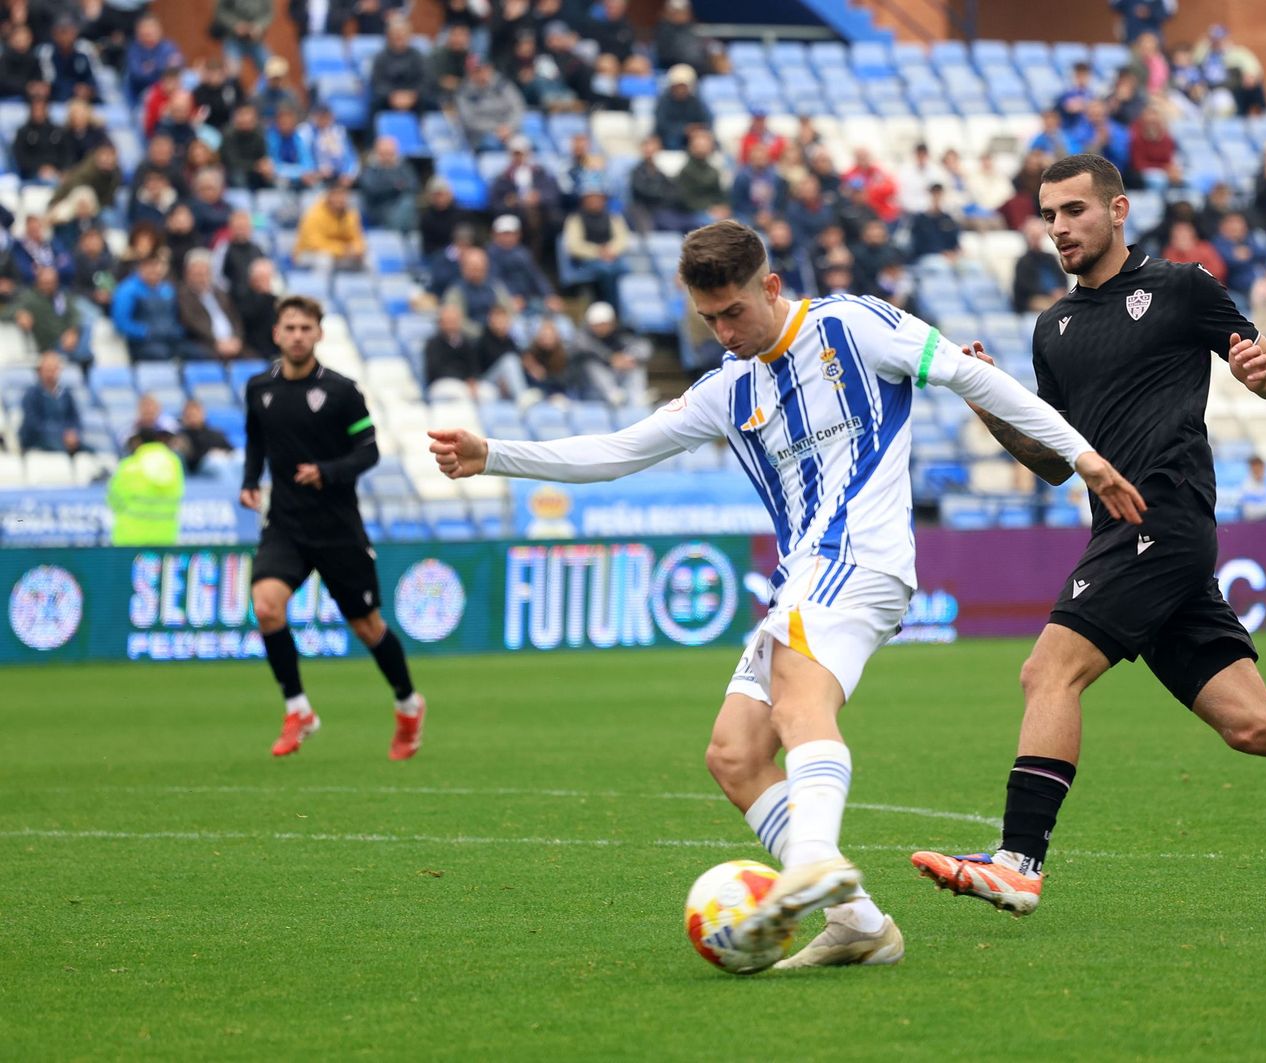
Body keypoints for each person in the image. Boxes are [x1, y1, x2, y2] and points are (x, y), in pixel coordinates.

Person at [428, 218, 1141, 969]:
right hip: (805, 573)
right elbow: (617, 451)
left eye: (734, 311)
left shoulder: (853, 325)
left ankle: (810, 856)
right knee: (734, 755)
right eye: (708, 319)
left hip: (859, 557)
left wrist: (1083, 455)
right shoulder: (726, 388)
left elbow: (974, 376)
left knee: (801, 700)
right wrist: (495, 454)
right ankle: (858, 924)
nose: (724, 331)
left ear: (771, 285)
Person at [908, 154, 1266, 919]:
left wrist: (1261, 369)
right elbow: (1052, 463)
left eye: (1074, 211)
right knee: (1253, 724)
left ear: (1117, 211)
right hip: (1124, 530)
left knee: (1048, 671)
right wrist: (990, 405)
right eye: (1048, 215)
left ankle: (1018, 860)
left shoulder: (1181, 289)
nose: (1059, 228)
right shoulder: (1054, 328)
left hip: (1166, 518)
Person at [242, 295, 426, 760]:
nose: (298, 335)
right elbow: (256, 441)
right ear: (276, 334)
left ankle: (408, 704)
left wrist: (327, 472)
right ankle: (298, 709)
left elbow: (369, 451)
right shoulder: (259, 388)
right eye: (290, 328)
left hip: (338, 529)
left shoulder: (342, 391)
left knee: (368, 628)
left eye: (306, 328)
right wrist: (249, 482)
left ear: (319, 335)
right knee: (266, 608)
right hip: (285, 524)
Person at [108, 425, 185, 545]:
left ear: (138, 441)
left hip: (129, 539)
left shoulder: (128, 466)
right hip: (165, 538)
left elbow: (113, 501)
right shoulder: (174, 464)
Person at [569, 301, 648, 407]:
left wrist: (628, 357)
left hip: (618, 375)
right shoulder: (582, 336)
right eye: (597, 325)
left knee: (635, 366)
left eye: (604, 324)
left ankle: (637, 399)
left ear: (612, 323)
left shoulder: (622, 333)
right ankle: (613, 395)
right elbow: (584, 347)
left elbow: (645, 347)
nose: (601, 328)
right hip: (589, 388)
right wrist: (610, 358)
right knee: (591, 365)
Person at [176, 249, 246, 360]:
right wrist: (217, 342)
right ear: (187, 274)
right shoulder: (183, 295)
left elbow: (235, 319)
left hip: (232, 344)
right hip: (205, 344)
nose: (201, 279)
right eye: (197, 274)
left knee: (257, 360)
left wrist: (236, 339)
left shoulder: (221, 294)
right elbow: (192, 322)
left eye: (204, 273)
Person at [19, 352, 83, 454]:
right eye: (47, 369)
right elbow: (33, 424)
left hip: (64, 439)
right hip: (38, 441)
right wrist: (61, 434)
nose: (51, 373)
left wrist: (73, 433)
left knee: (88, 450)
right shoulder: (31, 394)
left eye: (54, 369)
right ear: (39, 371)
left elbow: (75, 419)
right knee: (61, 449)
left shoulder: (66, 394)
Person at [294, 185, 366, 271]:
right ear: (329, 197)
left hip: (342, 253)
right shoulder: (314, 214)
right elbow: (314, 243)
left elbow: (357, 239)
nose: (340, 200)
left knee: (367, 259)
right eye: (337, 196)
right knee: (324, 259)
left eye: (343, 197)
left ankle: (367, 284)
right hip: (308, 253)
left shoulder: (351, 215)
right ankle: (319, 284)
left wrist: (357, 249)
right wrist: (342, 249)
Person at [357, 136, 419, 232]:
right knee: (405, 206)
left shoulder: (403, 167)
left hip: (400, 205)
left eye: (391, 154)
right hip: (379, 208)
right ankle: (398, 236)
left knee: (408, 202)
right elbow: (372, 189)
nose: (387, 157)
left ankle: (408, 237)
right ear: (377, 153)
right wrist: (395, 186)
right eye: (384, 154)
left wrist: (393, 186)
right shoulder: (371, 169)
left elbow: (414, 185)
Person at [423, 302, 480, 390]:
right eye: (448, 321)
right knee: (458, 392)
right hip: (442, 383)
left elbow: (473, 366)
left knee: (487, 392)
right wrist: (464, 378)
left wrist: (471, 379)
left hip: (464, 382)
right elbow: (435, 371)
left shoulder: (466, 342)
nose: (451, 325)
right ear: (441, 323)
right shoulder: (433, 344)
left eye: (454, 321)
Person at [176, 397, 237, 477]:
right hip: (200, 468)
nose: (193, 417)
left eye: (196, 413)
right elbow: (190, 459)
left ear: (203, 414)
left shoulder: (215, 433)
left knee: (240, 457)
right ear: (184, 416)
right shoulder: (181, 436)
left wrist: (222, 453)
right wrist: (210, 454)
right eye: (190, 414)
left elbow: (231, 449)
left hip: (223, 460)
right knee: (216, 462)